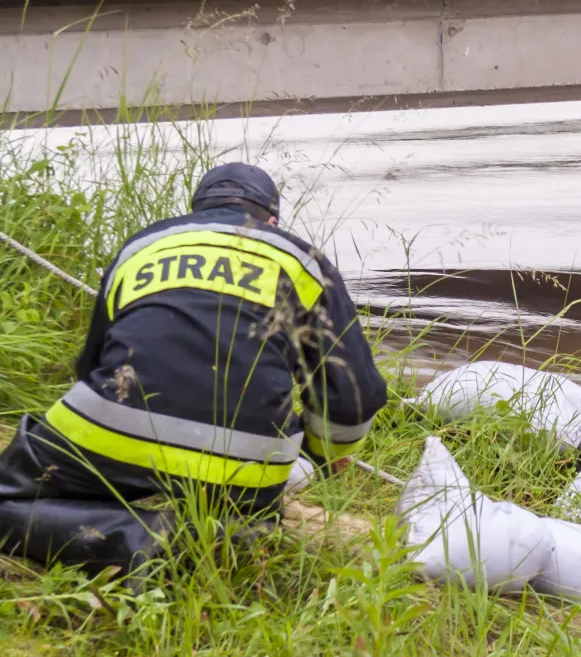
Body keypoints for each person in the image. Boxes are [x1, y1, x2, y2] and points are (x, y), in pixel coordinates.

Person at [0, 163, 387, 575]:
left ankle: (137, 534)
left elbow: (93, 363)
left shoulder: (142, 247)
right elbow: (354, 396)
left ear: (195, 211)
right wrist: (319, 459)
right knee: (243, 514)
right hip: (247, 463)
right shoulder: (304, 262)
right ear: (272, 220)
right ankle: (223, 533)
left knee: (9, 501)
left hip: (112, 428)